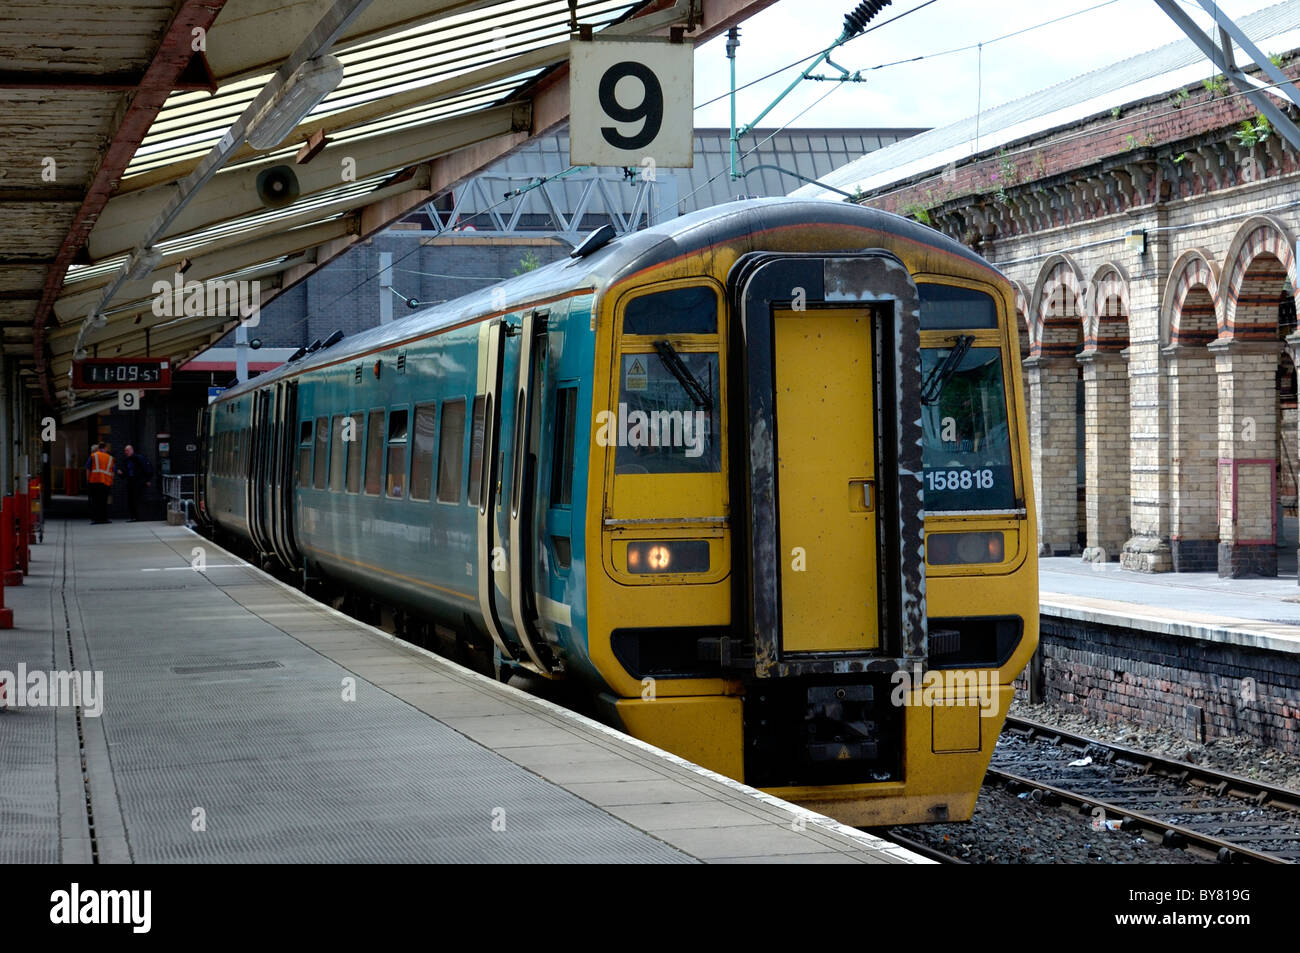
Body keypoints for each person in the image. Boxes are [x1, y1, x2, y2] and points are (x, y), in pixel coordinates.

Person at [117, 444, 154, 522]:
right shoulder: (126, 460)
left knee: (137, 499)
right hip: (131, 482)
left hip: (139, 482)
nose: (125, 452)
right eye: (125, 450)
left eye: (127, 450)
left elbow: (147, 468)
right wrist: (121, 473)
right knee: (131, 500)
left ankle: (139, 516)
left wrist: (147, 480)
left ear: (131, 450)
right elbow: (126, 474)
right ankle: (133, 517)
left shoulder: (139, 458)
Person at [85, 442, 114, 524]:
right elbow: (112, 471)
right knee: (104, 501)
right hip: (106, 483)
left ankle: (96, 519)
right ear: (105, 448)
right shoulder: (110, 458)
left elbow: (88, 469)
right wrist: (111, 482)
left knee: (95, 501)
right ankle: (104, 519)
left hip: (95, 481)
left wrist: (88, 480)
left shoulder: (93, 456)